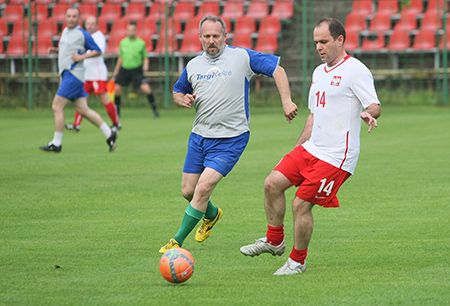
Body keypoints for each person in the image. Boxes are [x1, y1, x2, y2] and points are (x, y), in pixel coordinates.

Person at [240, 18, 381, 275]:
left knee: (300, 204)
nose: (319, 47)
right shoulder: (318, 72)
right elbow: (313, 115)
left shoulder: (356, 70)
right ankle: (274, 241)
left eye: (324, 41)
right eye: (316, 42)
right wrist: (297, 150)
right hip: (312, 148)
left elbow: (375, 105)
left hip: (337, 156)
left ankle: (297, 262)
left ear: (340, 40)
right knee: (272, 183)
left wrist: (367, 113)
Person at [159, 15, 298, 254]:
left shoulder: (241, 57)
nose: (211, 40)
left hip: (231, 138)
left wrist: (286, 101)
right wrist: (181, 98)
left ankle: (176, 242)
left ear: (225, 37)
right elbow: (178, 90)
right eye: (207, 36)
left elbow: (277, 69)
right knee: (188, 191)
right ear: (200, 38)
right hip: (199, 136)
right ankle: (211, 215)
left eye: (216, 36)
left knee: (203, 188)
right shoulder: (193, 65)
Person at [40, 8, 117, 153]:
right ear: (65, 17)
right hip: (69, 75)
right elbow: (69, 49)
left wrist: (82, 58)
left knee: (57, 106)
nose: (71, 19)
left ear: (78, 18)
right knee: (83, 110)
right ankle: (109, 133)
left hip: (73, 75)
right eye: (68, 16)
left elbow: (97, 50)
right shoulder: (65, 31)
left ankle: (56, 143)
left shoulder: (83, 34)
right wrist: (57, 51)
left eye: (74, 16)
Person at [65, 15, 121, 132]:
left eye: (92, 24)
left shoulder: (98, 36)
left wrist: (81, 57)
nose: (89, 26)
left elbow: (98, 52)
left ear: (97, 25)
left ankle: (116, 123)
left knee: (104, 98)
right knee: (81, 98)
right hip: (87, 74)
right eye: (88, 24)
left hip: (97, 74)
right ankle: (76, 124)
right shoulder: (85, 36)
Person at [112, 21, 159, 118]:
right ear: (126, 31)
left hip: (137, 70)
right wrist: (116, 71)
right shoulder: (123, 42)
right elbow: (120, 58)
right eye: (128, 30)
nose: (130, 32)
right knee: (117, 88)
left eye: (132, 30)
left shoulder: (141, 43)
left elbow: (145, 57)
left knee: (146, 89)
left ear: (135, 31)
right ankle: (117, 113)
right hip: (124, 69)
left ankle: (155, 110)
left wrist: (145, 66)